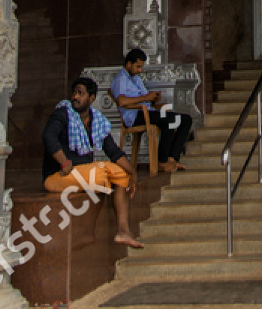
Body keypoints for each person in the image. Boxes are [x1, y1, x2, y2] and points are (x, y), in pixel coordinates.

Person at [42, 76, 143, 248]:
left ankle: (123, 230)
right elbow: (48, 136)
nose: (75, 97)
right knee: (102, 172)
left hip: (83, 175)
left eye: (80, 93)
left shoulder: (97, 121)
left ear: (92, 98)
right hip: (57, 177)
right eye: (74, 93)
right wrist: (65, 163)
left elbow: (113, 151)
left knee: (120, 175)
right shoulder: (63, 113)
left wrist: (133, 173)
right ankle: (87, 232)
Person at [110, 47, 191, 173]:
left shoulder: (136, 79)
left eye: (141, 67)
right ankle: (162, 162)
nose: (139, 70)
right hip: (134, 116)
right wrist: (145, 97)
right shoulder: (120, 79)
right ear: (128, 64)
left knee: (185, 120)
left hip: (146, 111)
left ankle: (171, 159)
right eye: (137, 67)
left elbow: (145, 97)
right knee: (169, 120)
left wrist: (153, 99)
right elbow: (121, 101)